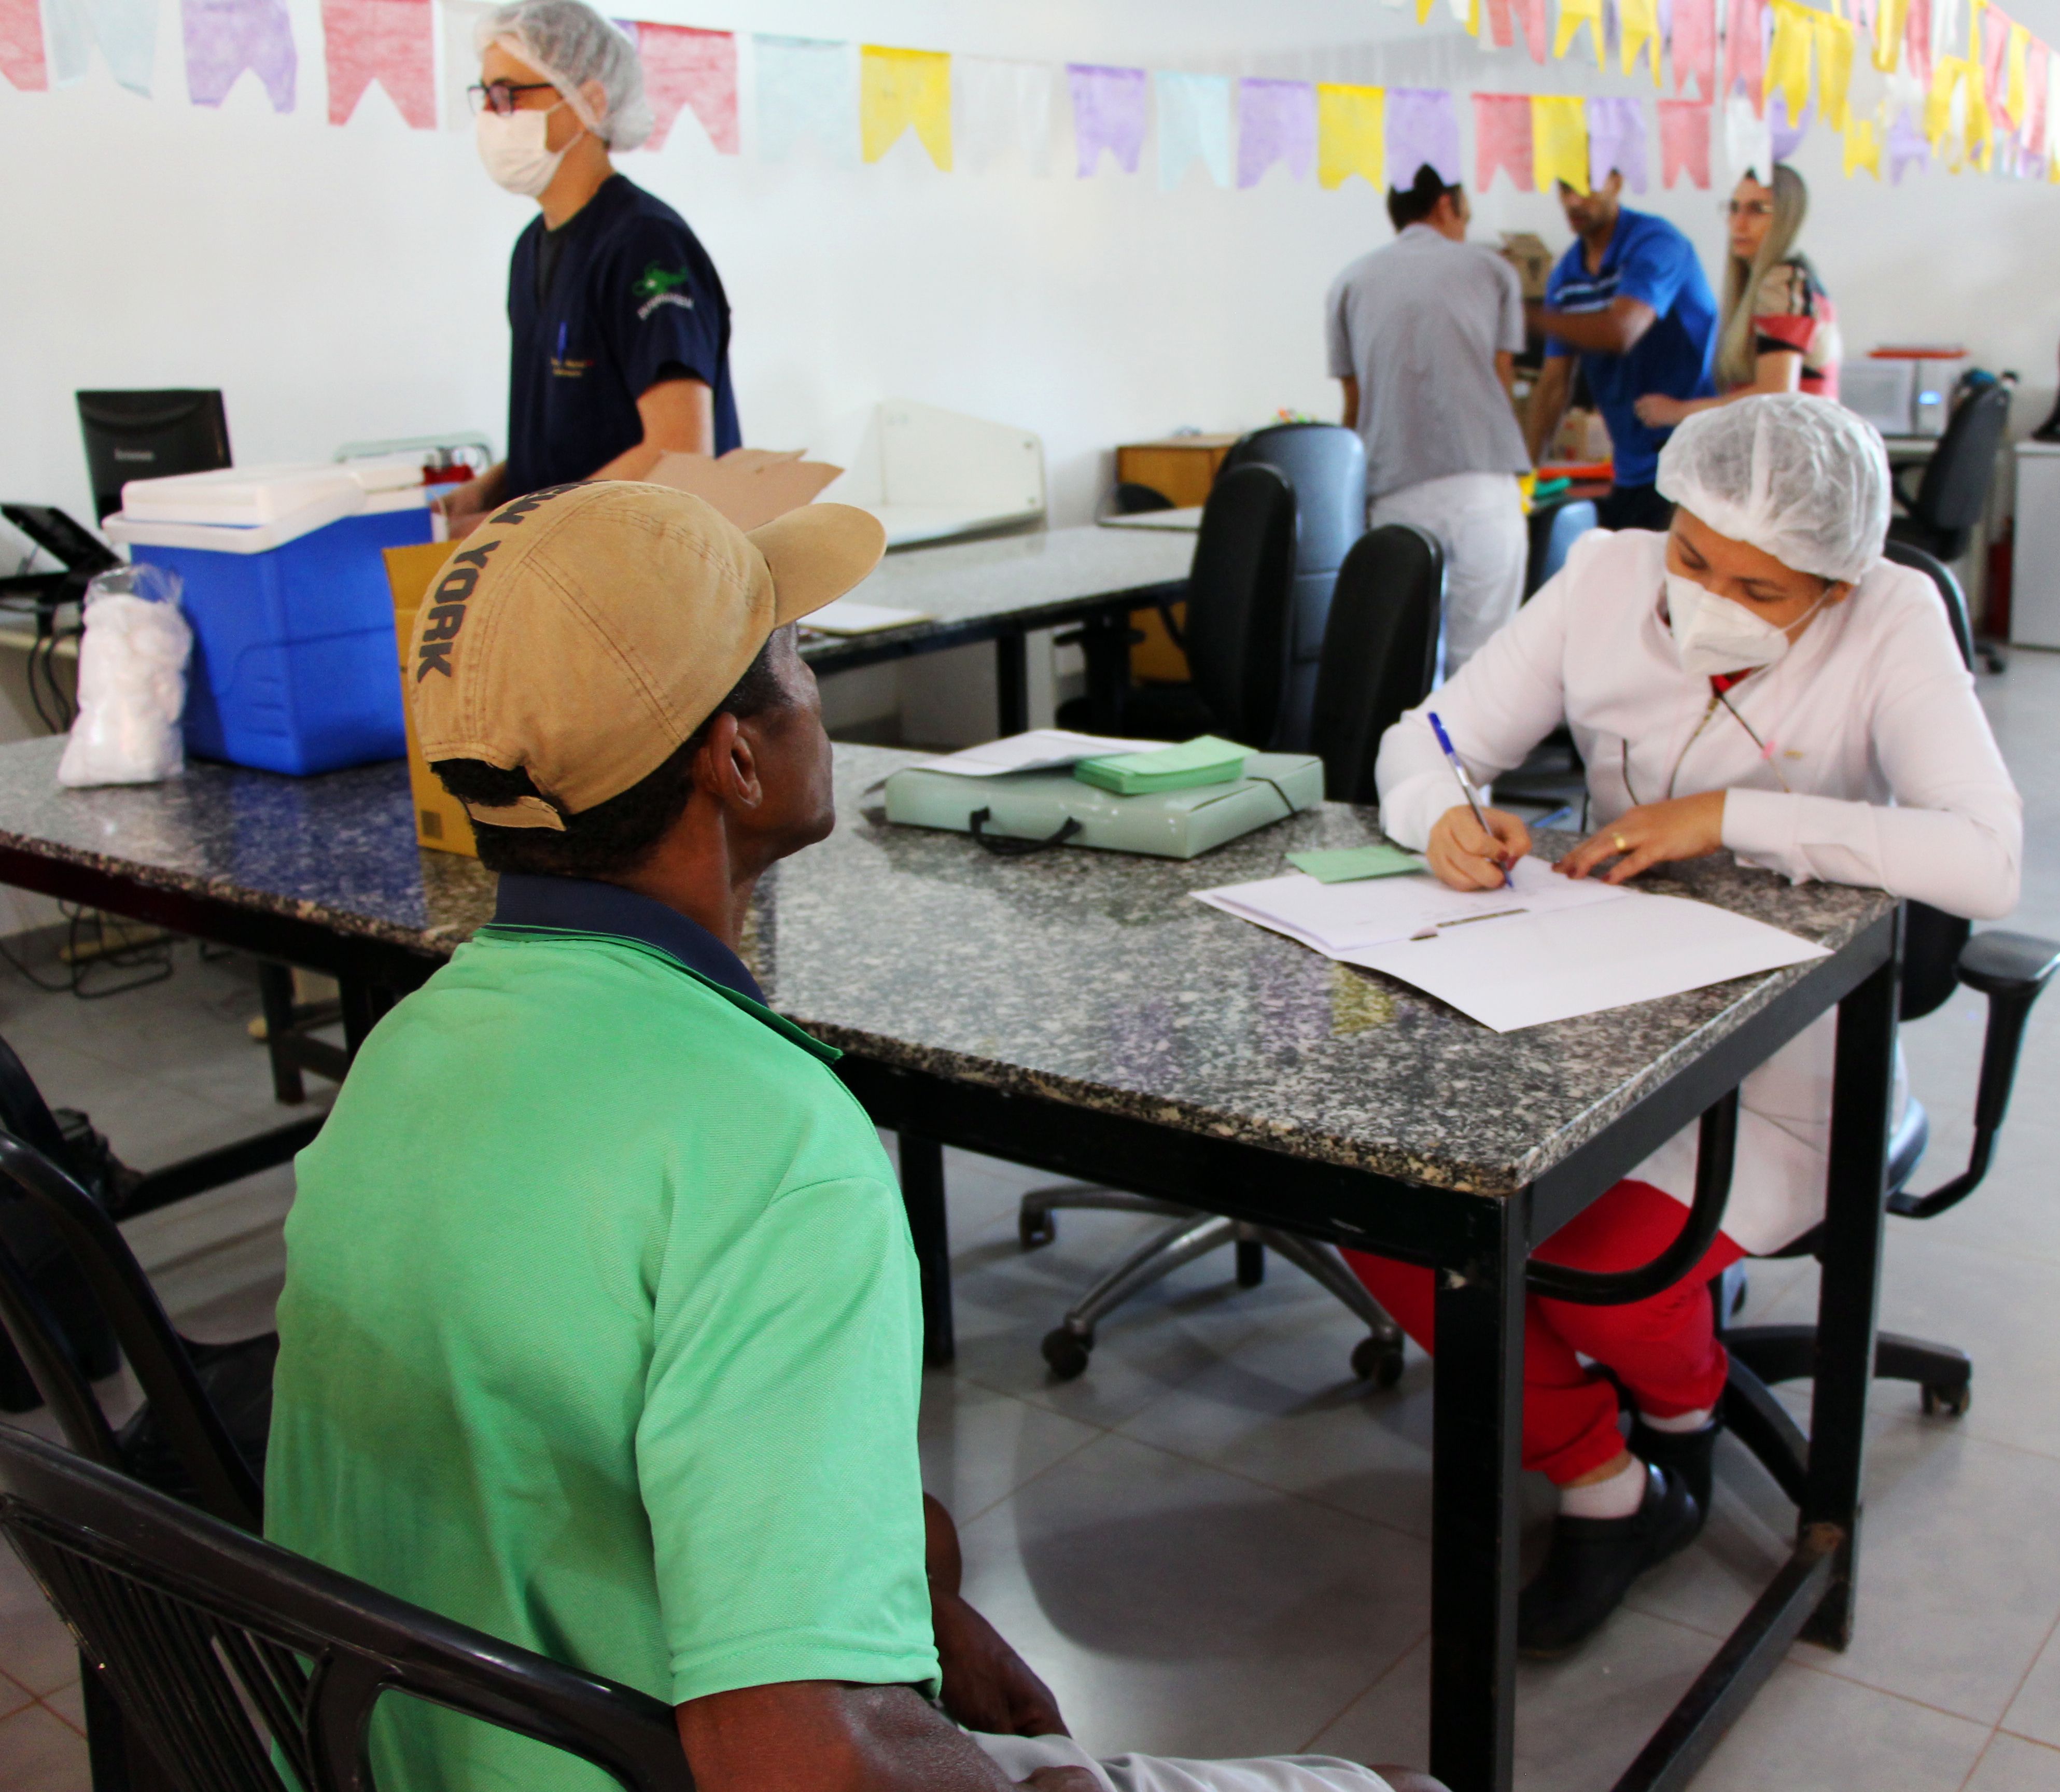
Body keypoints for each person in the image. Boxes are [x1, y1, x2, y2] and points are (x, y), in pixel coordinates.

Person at [265, 479, 1438, 1792]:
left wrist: (905, 1579)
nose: (816, 681)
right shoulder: (767, 1140)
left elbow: (572, 1443)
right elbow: (801, 1762)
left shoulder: (410, 1047)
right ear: (739, 758)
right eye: (796, 654)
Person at [1348, 395, 2022, 1657]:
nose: (1706, 597)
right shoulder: (1603, 574)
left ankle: (1682, 1404)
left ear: (1833, 585)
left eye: (1758, 587)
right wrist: (1436, 808)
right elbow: (1424, 737)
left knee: (1604, 1270)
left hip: (1786, 1066)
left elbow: (1985, 859)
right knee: (1397, 1216)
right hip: (1585, 1027)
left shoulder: (1889, 620)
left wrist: (1729, 816)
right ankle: (1606, 1476)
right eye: (1693, 556)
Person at [433, 0, 740, 538]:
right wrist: (489, 492)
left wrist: (515, 526)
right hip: (574, 573)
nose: (491, 116)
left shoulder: (645, 245)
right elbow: (566, 443)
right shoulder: (533, 247)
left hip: (656, 575)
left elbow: (681, 450)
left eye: (509, 95)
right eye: (484, 97)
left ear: (588, 101)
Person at [1326, 163, 1532, 673]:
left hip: (1394, 492)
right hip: (1481, 483)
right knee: (1484, 662)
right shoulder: (1491, 270)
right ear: (1447, 204)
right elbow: (1500, 379)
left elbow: (1352, 407)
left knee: (1408, 656)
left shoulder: (1348, 281)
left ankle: (1410, 751)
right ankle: (1472, 755)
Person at [1522, 173, 1719, 534]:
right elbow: (1553, 384)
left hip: (1693, 466)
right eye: (1565, 189)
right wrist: (1524, 481)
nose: (1573, 202)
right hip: (1629, 471)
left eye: (1586, 187)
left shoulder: (1658, 244)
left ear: (1616, 181)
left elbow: (1621, 331)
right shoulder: (1566, 277)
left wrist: (1528, 316)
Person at [1634, 166, 1842, 431]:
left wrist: (1679, 412)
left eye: (1757, 210)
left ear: (1786, 218)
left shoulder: (1784, 280)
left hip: (1797, 450)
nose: (1739, 223)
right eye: (1734, 208)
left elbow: (1776, 393)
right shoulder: (1776, 282)